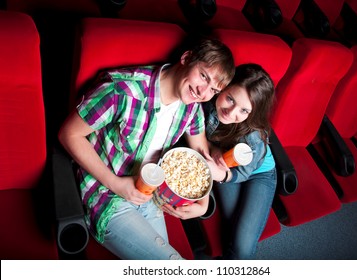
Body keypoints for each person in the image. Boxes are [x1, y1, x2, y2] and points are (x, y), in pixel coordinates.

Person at [57, 38, 235, 260]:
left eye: (214, 90)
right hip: (107, 192)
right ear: (186, 59)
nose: (203, 92)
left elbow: (200, 158)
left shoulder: (192, 108)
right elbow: (68, 134)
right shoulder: (122, 90)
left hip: (149, 194)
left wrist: (203, 202)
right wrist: (117, 184)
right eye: (203, 76)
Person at [168, 63, 277, 259]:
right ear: (223, 87)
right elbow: (196, 136)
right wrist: (215, 150)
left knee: (241, 248)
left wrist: (218, 172)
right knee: (231, 227)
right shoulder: (206, 99)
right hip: (224, 162)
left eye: (244, 111)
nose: (231, 111)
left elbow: (241, 172)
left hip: (257, 174)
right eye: (230, 98)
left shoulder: (253, 136)